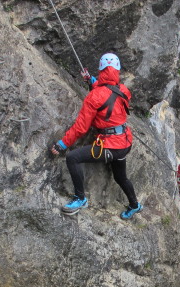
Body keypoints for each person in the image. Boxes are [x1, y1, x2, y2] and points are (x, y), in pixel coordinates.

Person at [50, 53, 143, 219]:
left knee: (72, 157)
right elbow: (109, 91)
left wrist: (62, 144)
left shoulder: (94, 96)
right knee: (120, 177)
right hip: (125, 143)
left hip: (111, 146)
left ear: (100, 69)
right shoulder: (124, 91)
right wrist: (92, 81)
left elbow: (81, 127)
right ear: (118, 70)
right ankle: (135, 205)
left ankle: (80, 198)